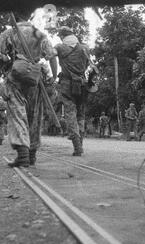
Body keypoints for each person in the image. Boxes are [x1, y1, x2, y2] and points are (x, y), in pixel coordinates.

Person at [0, 11, 58, 167]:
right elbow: (52, 56)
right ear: (28, 16)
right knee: (34, 116)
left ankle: (23, 154)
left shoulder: (8, 33)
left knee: (18, 115)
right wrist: (54, 77)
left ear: (14, 17)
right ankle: (31, 155)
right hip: (35, 80)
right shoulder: (40, 34)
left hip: (15, 79)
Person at [54, 26, 91, 156]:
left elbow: (49, 56)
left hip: (66, 85)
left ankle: (77, 146)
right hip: (82, 84)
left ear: (62, 36)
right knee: (81, 115)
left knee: (70, 114)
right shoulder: (85, 48)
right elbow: (87, 65)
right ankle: (80, 142)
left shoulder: (59, 47)